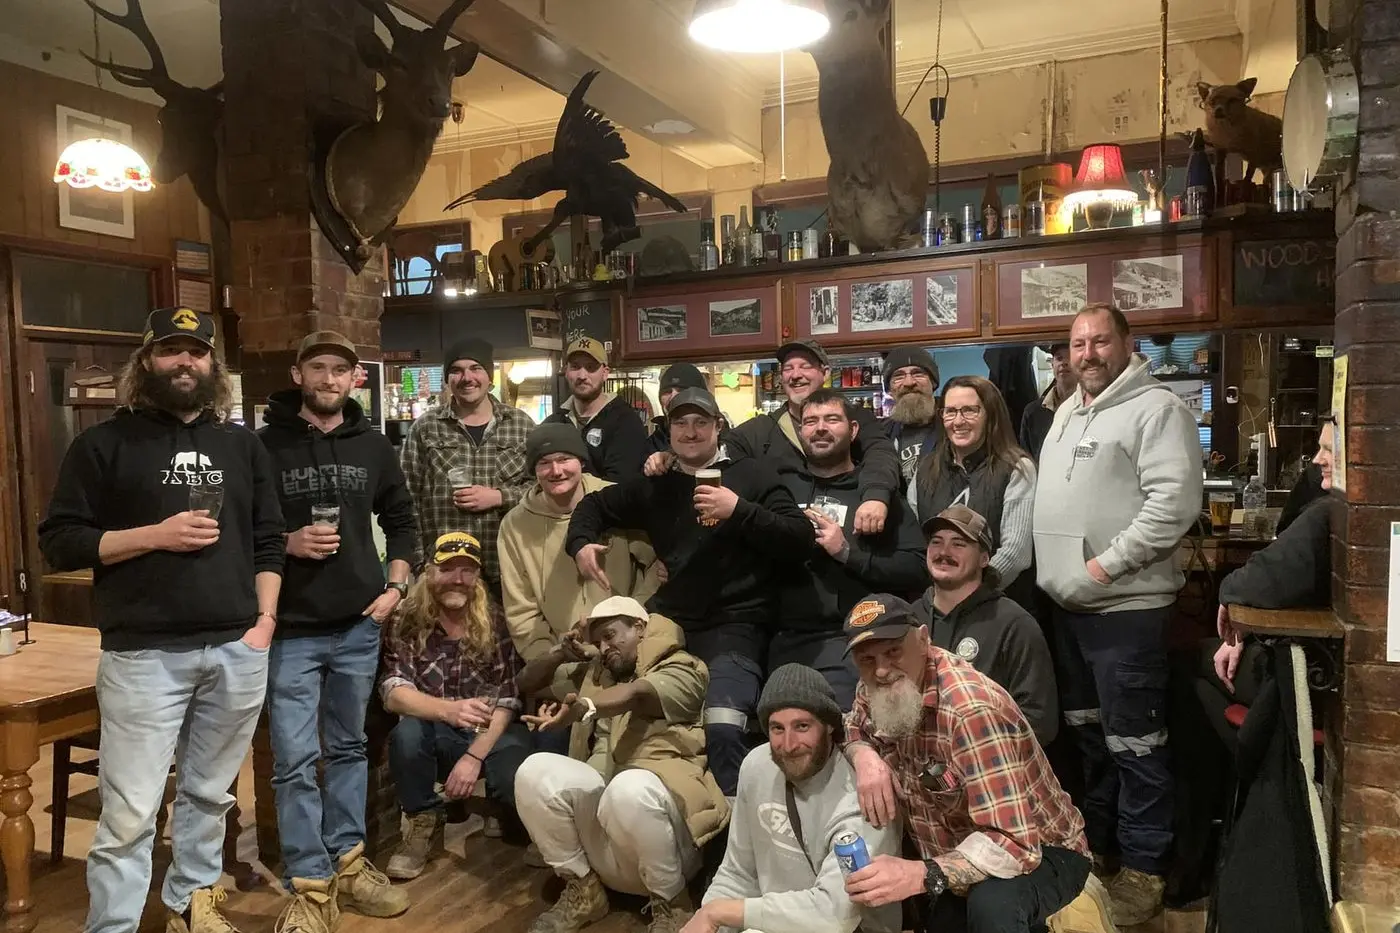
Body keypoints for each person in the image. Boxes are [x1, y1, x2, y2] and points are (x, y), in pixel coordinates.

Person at [38, 307, 284, 933]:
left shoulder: (242, 445)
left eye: (197, 352)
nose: (185, 362)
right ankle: (113, 926)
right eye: (172, 350)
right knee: (129, 813)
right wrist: (155, 535)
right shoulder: (102, 445)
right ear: (146, 360)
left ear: (212, 364)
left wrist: (264, 623)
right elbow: (60, 542)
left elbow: (268, 540)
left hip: (236, 650)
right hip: (143, 656)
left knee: (210, 794)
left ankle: (190, 905)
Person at [1032, 303, 1203, 926]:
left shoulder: (1157, 409)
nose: (1088, 354)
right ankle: (1100, 854)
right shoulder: (1065, 413)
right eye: (1078, 344)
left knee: (1136, 746)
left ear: (1128, 345)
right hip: (1069, 612)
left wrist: (1104, 567)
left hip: (1125, 612)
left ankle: (1145, 871)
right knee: (1089, 742)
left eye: (1100, 341)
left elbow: (1172, 507)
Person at [567, 387, 814, 796]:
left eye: (701, 422)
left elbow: (800, 539)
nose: (691, 431)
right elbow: (594, 505)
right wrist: (580, 544)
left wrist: (739, 511)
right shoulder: (658, 483)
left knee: (723, 725)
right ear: (669, 431)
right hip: (670, 622)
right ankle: (626, 805)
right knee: (614, 708)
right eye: (680, 423)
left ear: (719, 426)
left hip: (736, 624)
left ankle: (733, 825)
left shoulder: (753, 475)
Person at [257, 331, 417, 927]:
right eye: (318, 367)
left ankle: (348, 861)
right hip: (290, 629)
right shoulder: (262, 446)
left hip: (358, 625)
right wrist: (288, 542)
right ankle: (310, 882)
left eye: (340, 370)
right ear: (298, 374)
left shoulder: (372, 445)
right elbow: (239, 528)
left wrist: (395, 589)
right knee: (295, 759)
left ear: (355, 379)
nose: (329, 379)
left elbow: (401, 520)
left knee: (350, 748)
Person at [837, 596, 1114, 933]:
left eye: (893, 651)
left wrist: (921, 873)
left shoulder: (970, 711)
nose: (881, 670)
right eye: (867, 660)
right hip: (956, 854)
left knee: (992, 907)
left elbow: (1015, 845)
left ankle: (1076, 905)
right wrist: (864, 756)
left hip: (1041, 848)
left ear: (923, 640)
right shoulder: (877, 687)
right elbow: (853, 725)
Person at [514, 596, 729, 933]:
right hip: (611, 841)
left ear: (640, 627)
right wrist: (560, 653)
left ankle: (673, 905)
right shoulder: (598, 674)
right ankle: (584, 890)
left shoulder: (683, 667)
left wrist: (586, 707)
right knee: (533, 770)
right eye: (598, 641)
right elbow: (527, 683)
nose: (604, 647)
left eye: (611, 635)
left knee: (628, 787)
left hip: (671, 848)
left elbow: (638, 694)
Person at [690, 664, 902, 933]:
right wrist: (709, 918)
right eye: (777, 728)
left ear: (828, 726)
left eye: (802, 726)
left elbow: (834, 916)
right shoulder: (757, 766)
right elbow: (738, 872)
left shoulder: (864, 793)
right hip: (767, 923)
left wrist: (721, 913)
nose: (789, 745)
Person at [378, 533, 532, 881]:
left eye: (467, 570)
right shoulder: (406, 619)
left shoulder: (496, 618)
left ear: (477, 576)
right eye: (448, 569)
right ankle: (424, 822)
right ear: (429, 572)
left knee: (514, 782)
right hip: (437, 730)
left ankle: (499, 805)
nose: (458, 579)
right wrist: (449, 710)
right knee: (407, 735)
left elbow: (508, 699)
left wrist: (473, 757)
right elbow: (393, 692)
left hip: (490, 732)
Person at [775, 389, 926, 708]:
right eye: (810, 421)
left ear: (853, 430)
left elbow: (918, 567)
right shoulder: (781, 488)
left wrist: (848, 554)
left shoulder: (876, 495)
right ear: (800, 431)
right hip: (782, 638)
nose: (820, 428)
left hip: (853, 641)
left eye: (832, 419)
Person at [499, 422, 661, 662]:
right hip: (563, 658)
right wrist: (548, 659)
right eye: (544, 463)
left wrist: (635, 618)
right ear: (533, 470)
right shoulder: (516, 525)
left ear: (581, 461)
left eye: (564, 459)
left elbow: (657, 564)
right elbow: (521, 609)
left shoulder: (614, 500)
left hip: (632, 646)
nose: (556, 471)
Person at [912, 506, 1058, 745]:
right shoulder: (909, 620)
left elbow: (1039, 721)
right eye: (936, 542)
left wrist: (974, 751)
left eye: (958, 544)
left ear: (984, 558)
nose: (944, 552)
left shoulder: (1014, 624)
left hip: (986, 760)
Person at [400, 338, 535, 591]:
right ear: (447, 379)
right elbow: (407, 500)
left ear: (489, 376)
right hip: (447, 570)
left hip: (508, 569)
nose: (467, 378)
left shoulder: (521, 425)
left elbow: (541, 490)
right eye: (456, 370)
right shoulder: (426, 427)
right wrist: (420, 565)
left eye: (475, 368)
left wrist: (499, 497)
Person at [729, 340, 901, 535]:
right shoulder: (759, 430)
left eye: (805, 366)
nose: (795, 375)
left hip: (850, 536)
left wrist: (876, 495)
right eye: (788, 368)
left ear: (825, 373)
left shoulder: (855, 417)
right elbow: (723, 457)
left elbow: (881, 453)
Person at [1213, 420, 1335, 692]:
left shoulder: (1326, 513)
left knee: (1187, 666)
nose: (1318, 459)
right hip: (1310, 654)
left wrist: (1229, 593)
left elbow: (1266, 577)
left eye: (1329, 449)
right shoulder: (1334, 506)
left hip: (1312, 668)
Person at [909, 375, 1036, 596]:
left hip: (997, 602)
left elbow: (1016, 553)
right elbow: (916, 542)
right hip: (938, 600)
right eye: (950, 411)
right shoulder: (925, 469)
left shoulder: (1017, 468)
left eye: (969, 410)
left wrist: (970, 594)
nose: (958, 421)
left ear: (990, 415)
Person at [543, 336, 649, 481]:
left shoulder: (626, 422)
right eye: (575, 367)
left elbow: (621, 484)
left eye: (591, 367)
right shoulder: (553, 424)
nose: (582, 375)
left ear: (605, 373)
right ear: (566, 371)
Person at [881, 345, 942, 489]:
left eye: (918, 373)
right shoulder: (882, 434)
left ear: (933, 382)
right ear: (889, 389)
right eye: (898, 376)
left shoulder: (955, 426)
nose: (909, 382)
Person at [1018, 343, 1077, 464]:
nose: (1063, 363)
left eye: (1070, 358)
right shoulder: (1033, 412)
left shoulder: (1091, 406)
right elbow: (1027, 459)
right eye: (1059, 358)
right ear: (1052, 364)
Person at [648, 362, 710, 453]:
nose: (673, 397)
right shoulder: (651, 446)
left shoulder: (724, 442)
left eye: (681, 390)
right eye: (667, 391)